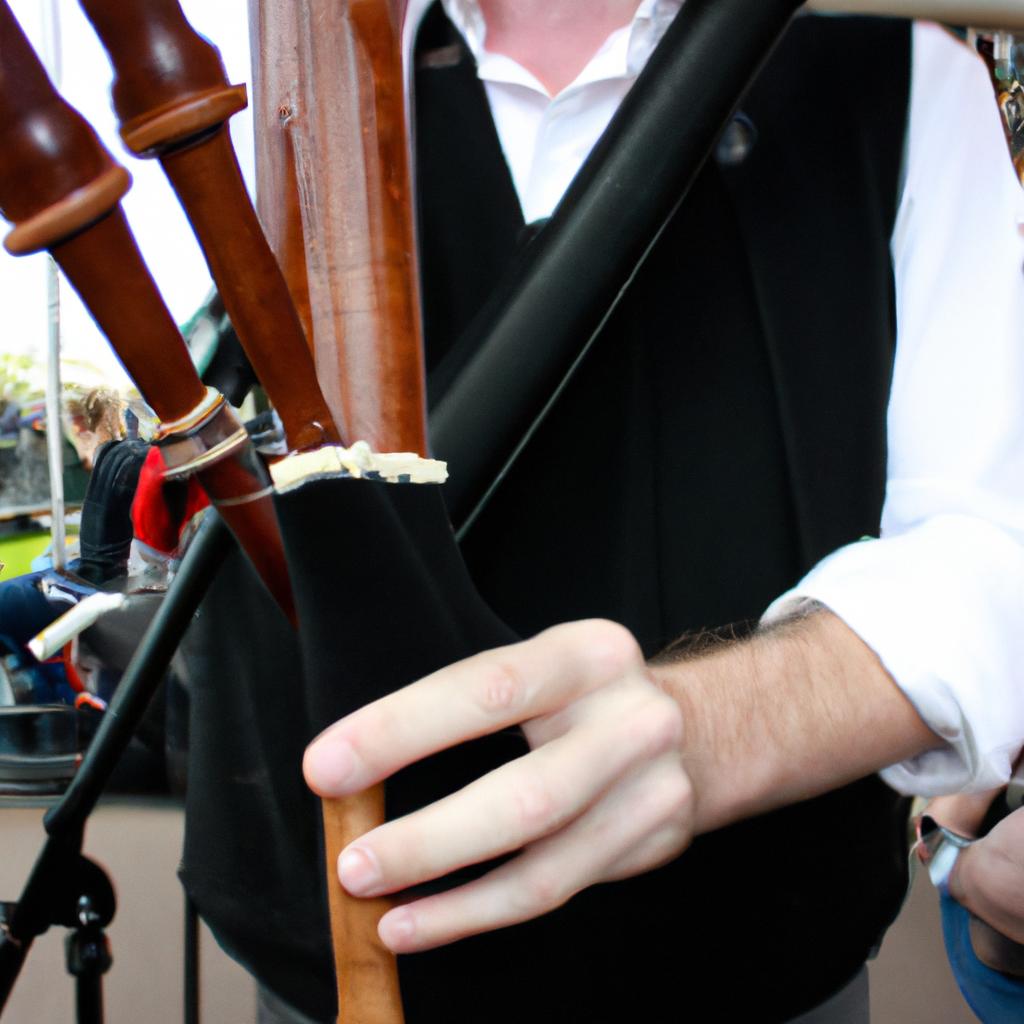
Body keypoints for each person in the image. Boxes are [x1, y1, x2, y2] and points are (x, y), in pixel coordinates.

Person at [294, 4, 1024, 1023]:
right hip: (329, 970)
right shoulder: (268, 67)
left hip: (759, 979)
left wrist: (708, 730)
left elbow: (991, 549)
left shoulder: (905, 74)